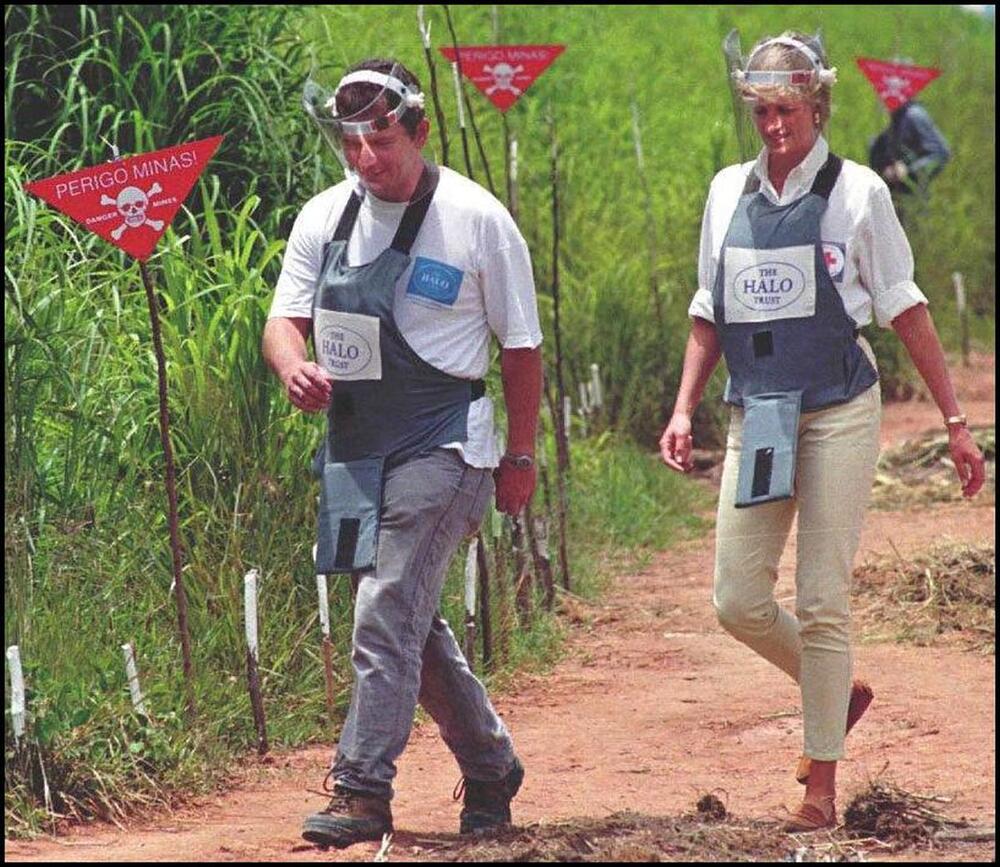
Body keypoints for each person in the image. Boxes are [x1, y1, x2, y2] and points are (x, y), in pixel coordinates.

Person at [658, 32, 986, 833]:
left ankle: (820, 790)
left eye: (789, 110)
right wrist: (680, 407)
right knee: (737, 596)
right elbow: (710, 310)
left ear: (818, 105)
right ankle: (836, 690)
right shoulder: (725, 192)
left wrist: (956, 422)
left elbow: (906, 307)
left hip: (840, 409)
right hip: (757, 411)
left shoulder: (860, 193)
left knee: (823, 598)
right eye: (764, 110)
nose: (776, 126)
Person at [263, 58, 542, 849]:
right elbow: (284, 321)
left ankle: (361, 788)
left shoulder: (477, 220)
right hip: (354, 450)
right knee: (408, 623)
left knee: (384, 609)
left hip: (446, 443)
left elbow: (522, 350)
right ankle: (490, 765)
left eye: (381, 140)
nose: (365, 159)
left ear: (419, 131)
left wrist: (518, 459)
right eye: (352, 143)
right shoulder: (327, 216)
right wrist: (293, 366)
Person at [868, 98, 951, 197]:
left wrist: (908, 170)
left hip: (914, 194)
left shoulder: (914, 115)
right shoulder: (893, 116)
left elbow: (940, 154)